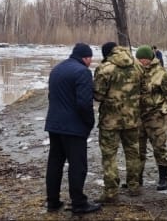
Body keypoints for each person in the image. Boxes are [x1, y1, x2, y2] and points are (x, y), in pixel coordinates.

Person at [44, 42, 101, 214]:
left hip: (54, 124)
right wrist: (89, 123)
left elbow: (51, 96)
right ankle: (79, 203)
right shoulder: (82, 72)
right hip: (73, 127)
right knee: (78, 165)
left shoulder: (57, 69)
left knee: (55, 163)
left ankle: (52, 201)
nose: (90, 62)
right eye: (90, 58)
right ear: (86, 57)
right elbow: (84, 103)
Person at [94, 42, 143, 202]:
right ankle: (134, 186)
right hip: (133, 118)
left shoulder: (105, 69)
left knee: (109, 156)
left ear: (106, 53)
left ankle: (111, 192)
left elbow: (98, 95)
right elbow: (145, 89)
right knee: (133, 152)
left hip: (110, 120)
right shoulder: (137, 66)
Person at [136, 45, 167, 191]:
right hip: (138, 117)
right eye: (139, 59)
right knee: (137, 150)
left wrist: (163, 111)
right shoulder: (135, 72)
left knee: (159, 147)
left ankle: (163, 178)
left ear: (150, 59)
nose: (142, 62)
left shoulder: (161, 73)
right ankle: (137, 178)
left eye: (144, 59)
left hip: (155, 117)